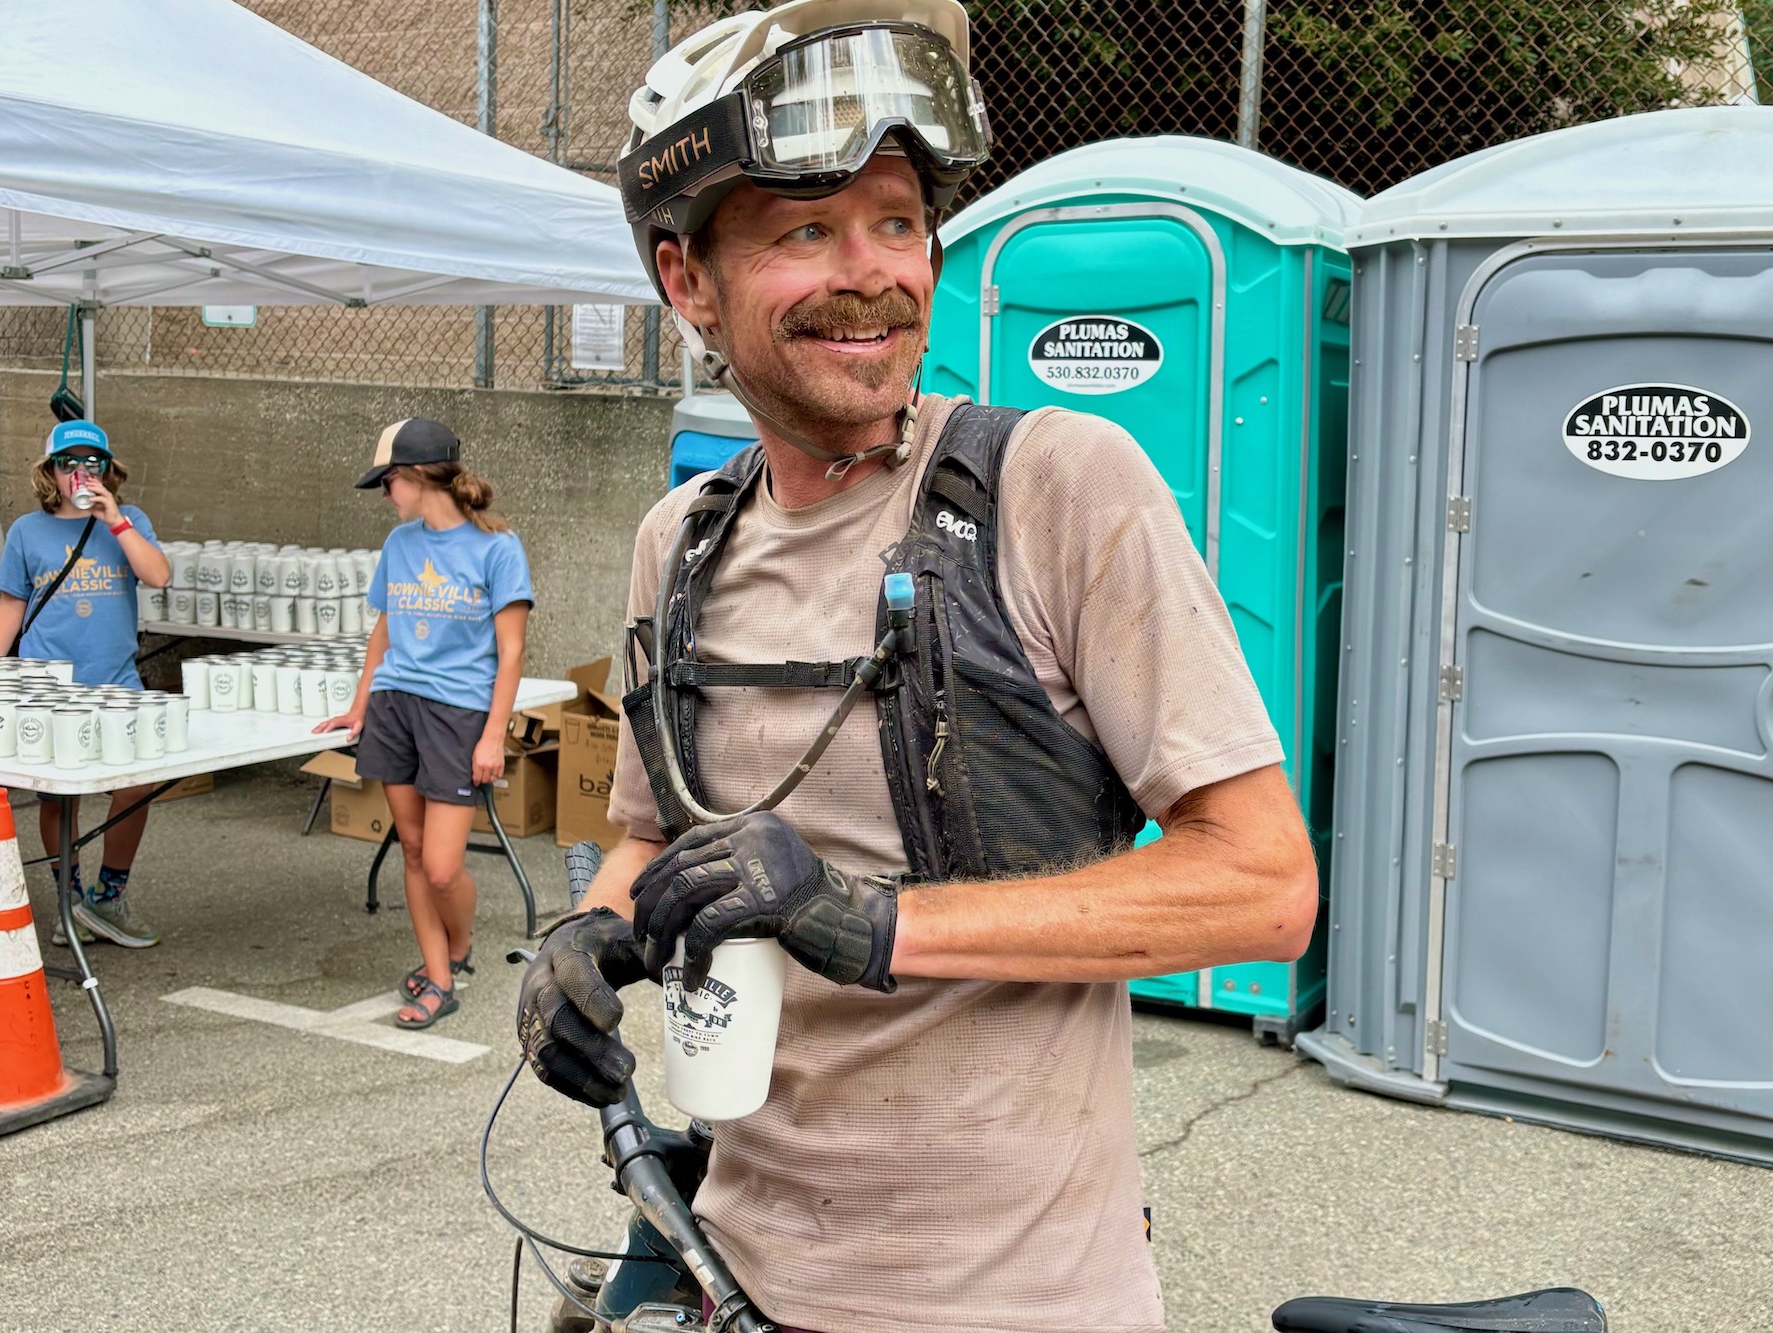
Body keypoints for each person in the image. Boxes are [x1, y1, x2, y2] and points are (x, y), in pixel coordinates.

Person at [515, 2, 1319, 1329]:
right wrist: (586, 934)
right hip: (735, 1268)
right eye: (804, 231)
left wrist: (876, 922)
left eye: (896, 223)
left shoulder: (1056, 487)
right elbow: (655, 837)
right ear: (687, 281)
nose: (872, 272)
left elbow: (1263, 885)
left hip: (1013, 1299)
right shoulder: (681, 541)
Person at [317, 419, 532, 1030]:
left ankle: (458, 944)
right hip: (395, 706)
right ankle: (440, 977)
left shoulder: (497, 549)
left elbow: (512, 652)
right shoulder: (400, 545)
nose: (385, 496)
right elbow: (383, 630)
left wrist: (493, 736)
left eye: (387, 483)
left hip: (458, 715)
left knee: (441, 865)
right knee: (411, 848)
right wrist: (361, 704)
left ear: (415, 476)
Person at [0, 420, 171, 948]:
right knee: (58, 798)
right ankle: (67, 900)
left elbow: (158, 576)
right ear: (50, 472)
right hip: (48, 686)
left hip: (116, 682)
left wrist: (116, 521)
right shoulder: (27, 531)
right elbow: (10, 606)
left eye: (94, 462)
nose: (82, 472)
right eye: (70, 463)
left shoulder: (131, 520)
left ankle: (108, 897)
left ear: (109, 471)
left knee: (137, 783)